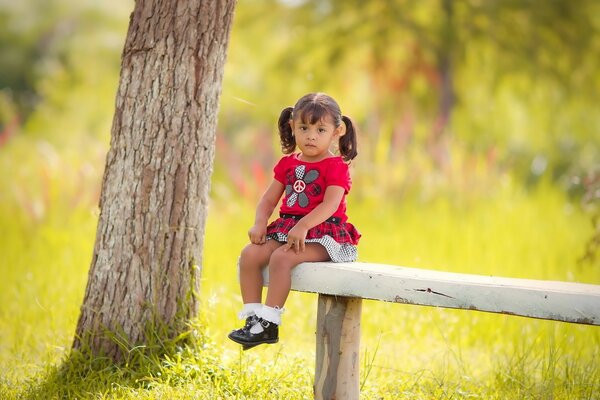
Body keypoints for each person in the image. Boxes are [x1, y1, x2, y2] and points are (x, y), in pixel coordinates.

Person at [228, 92, 361, 350]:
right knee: (250, 255)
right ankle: (253, 319)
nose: (311, 135)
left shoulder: (336, 166)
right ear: (292, 127)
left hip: (324, 233)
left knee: (282, 258)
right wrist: (259, 222)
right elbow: (268, 200)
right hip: (288, 227)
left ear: (336, 132)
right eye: (304, 128)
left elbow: (330, 204)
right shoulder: (288, 163)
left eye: (320, 129)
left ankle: (270, 323)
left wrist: (303, 226)